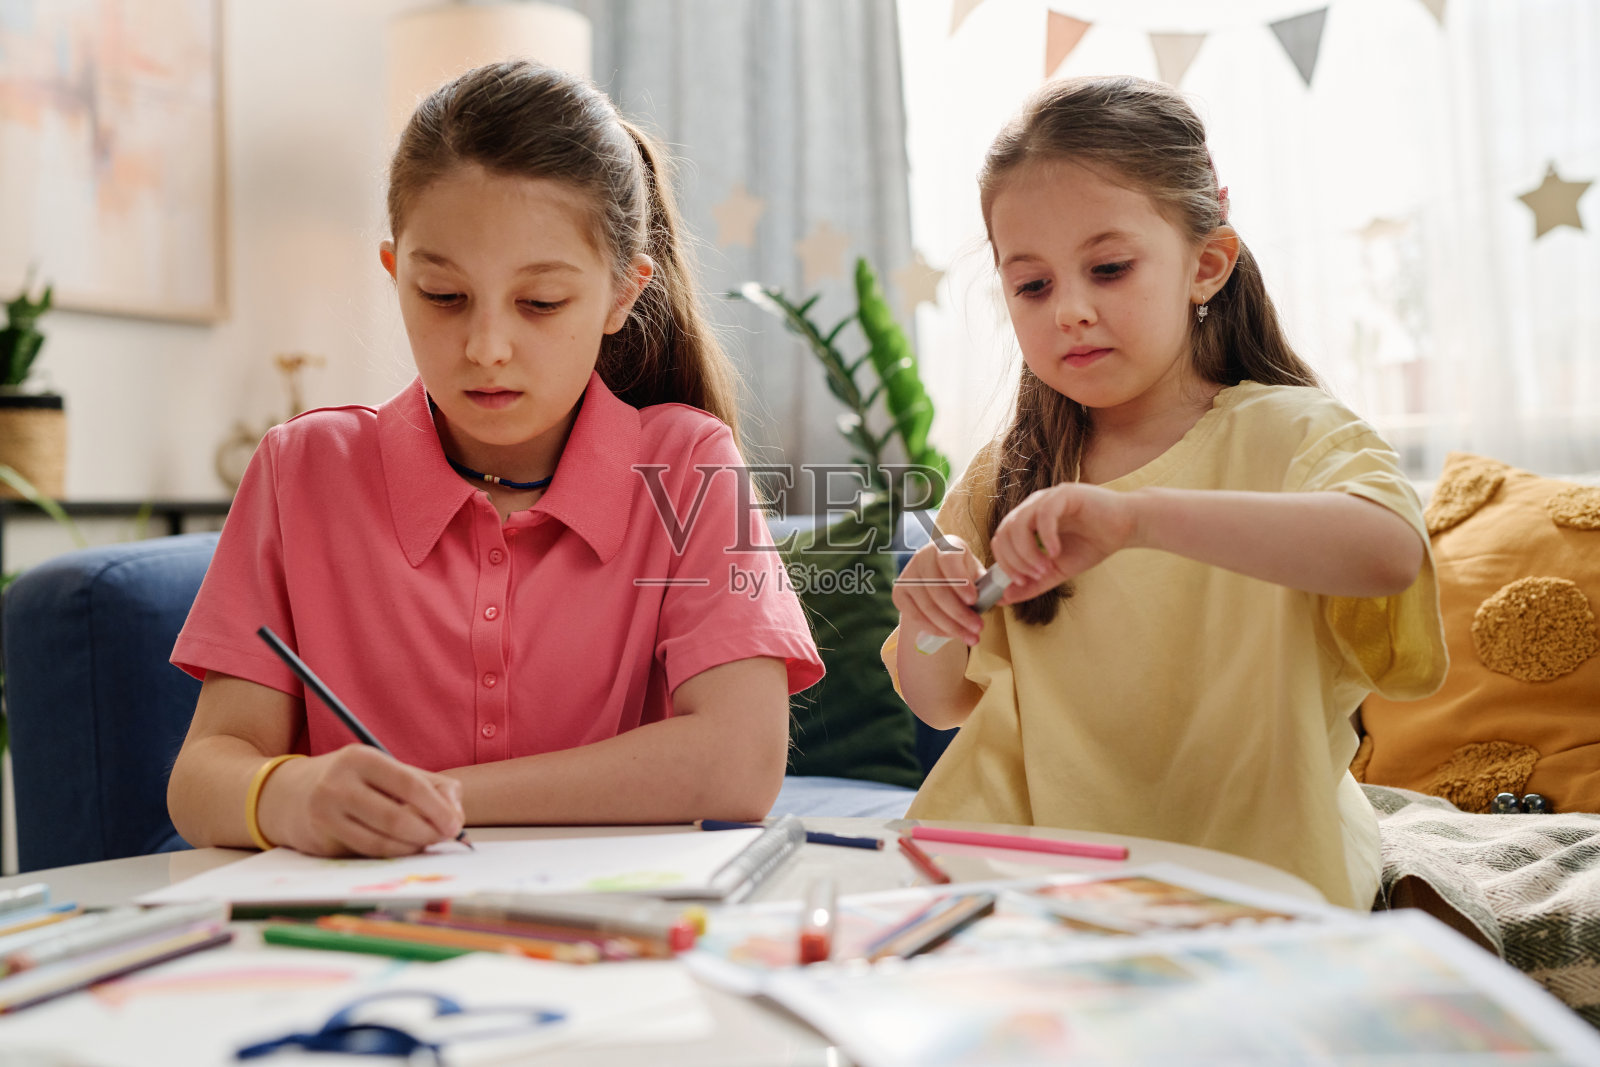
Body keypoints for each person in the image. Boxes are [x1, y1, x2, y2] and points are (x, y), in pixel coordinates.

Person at [167, 61, 823, 858]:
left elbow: (740, 763)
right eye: (442, 295)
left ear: (622, 293)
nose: (486, 348)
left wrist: (443, 800)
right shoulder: (300, 468)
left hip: (616, 931)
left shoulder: (687, 465)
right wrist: (288, 794)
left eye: (541, 303)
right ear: (394, 273)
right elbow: (201, 776)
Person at [885, 76, 1447, 909]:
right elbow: (940, 704)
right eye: (1032, 285)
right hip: (1042, 883)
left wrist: (1134, 519)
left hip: (1260, 880)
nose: (1069, 309)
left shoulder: (1291, 433)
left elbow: (1390, 553)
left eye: (1108, 268)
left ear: (1207, 264)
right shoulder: (1011, 470)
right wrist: (927, 617)